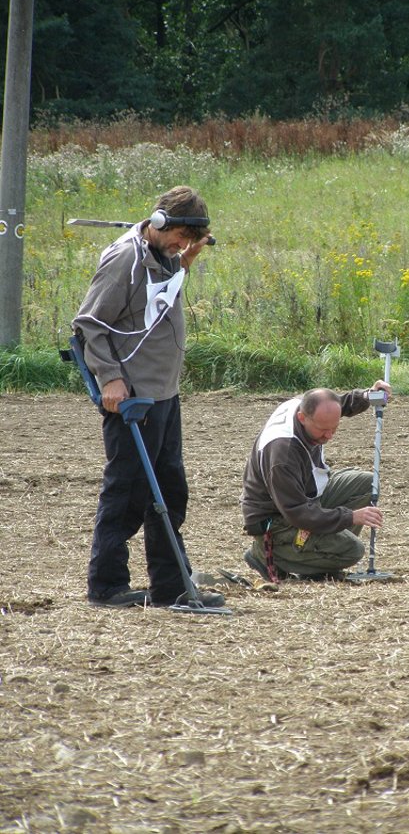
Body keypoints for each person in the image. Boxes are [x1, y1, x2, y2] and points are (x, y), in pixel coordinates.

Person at [73, 186, 225, 609]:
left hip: (164, 394)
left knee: (169, 493)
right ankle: (106, 586)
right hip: (133, 396)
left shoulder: (162, 256)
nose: (183, 246)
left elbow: (158, 300)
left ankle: (171, 586)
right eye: (180, 237)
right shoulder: (126, 259)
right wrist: (109, 379)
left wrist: (186, 260)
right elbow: (89, 324)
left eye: (189, 241)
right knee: (128, 492)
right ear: (158, 223)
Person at [240, 382, 391, 581]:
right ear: (302, 418)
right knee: (352, 550)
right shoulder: (283, 453)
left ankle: (320, 553)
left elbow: (338, 403)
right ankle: (273, 555)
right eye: (323, 430)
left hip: (308, 494)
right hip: (277, 520)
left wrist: (366, 396)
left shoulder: (304, 405)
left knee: (366, 483)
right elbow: (298, 513)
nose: (329, 436)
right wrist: (350, 517)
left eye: (334, 428)